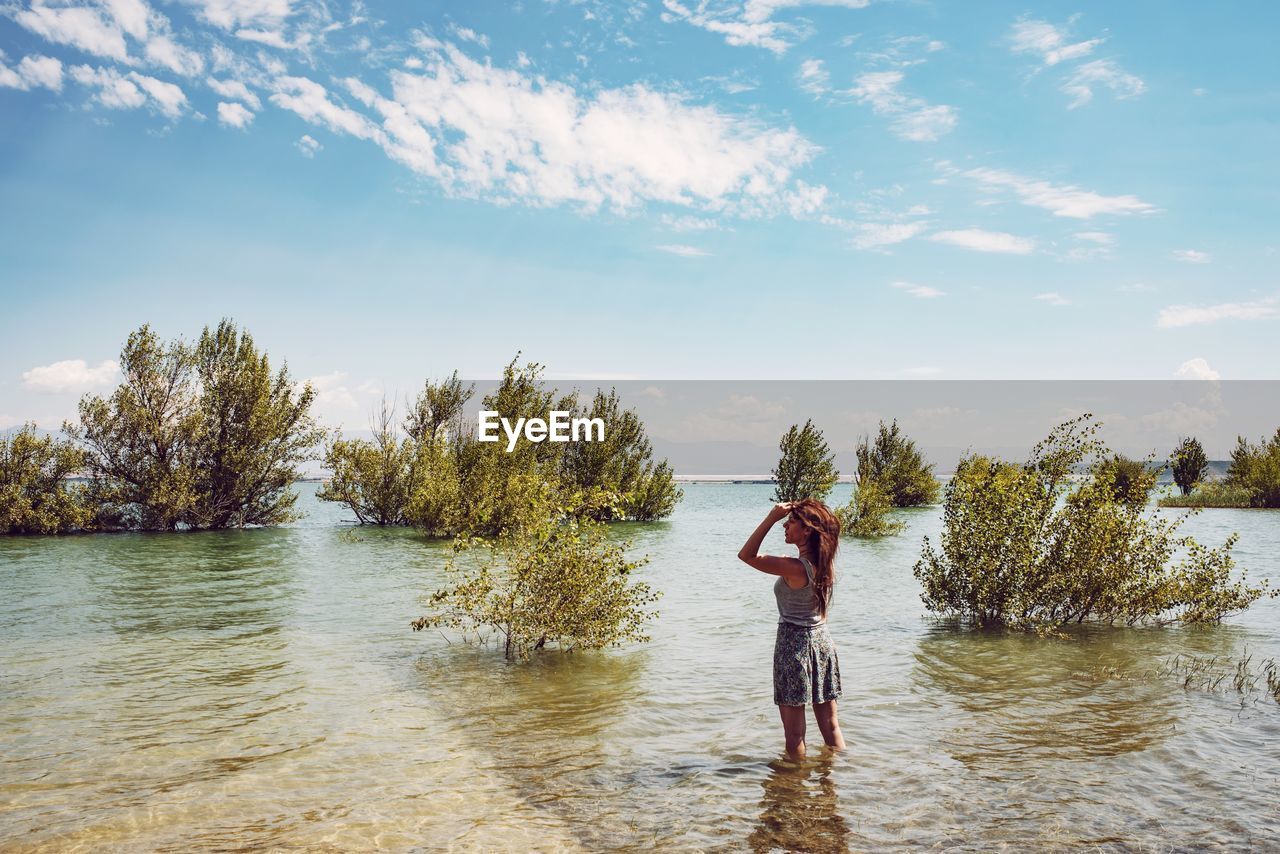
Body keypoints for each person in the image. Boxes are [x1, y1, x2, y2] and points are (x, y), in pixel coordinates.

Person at [738, 499, 845, 760]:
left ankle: (792, 793)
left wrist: (771, 517)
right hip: (822, 644)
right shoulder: (824, 564)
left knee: (795, 736)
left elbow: (746, 555)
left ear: (807, 530)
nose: (785, 525)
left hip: (793, 647)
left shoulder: (794, 568)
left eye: (791, 522)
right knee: (831, 728)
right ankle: (834, 786)